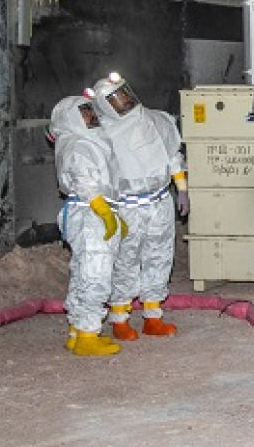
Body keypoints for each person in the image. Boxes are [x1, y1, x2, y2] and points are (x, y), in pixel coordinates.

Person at [91, 72, 189, 340]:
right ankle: (120, 318)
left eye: (123, 94)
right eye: (114, 99)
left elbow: (171, 157)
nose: (122, 102)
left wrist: (182, 189)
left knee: (160, 257)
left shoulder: (155, 120)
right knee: (126, 260)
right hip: (127, 207)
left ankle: (152, 315)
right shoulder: (103, 135)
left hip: (159, 202)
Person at [49, 95, 124, 357]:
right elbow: (84, 181)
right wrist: (104, 212)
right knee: (96, 274)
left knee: (83, 271)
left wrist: (112, 212)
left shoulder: (87, 141)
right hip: (89, 212)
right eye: (85, 113)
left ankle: (78, 330)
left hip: (90, 211)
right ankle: (88, 334)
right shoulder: (79, 144)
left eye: (90, 112)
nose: (91, 117)